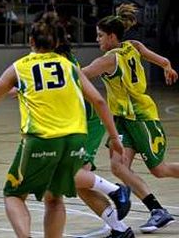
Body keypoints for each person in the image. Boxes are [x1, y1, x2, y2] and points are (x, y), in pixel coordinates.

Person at [0, 19, 124, 238]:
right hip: (75, 139)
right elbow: (99, 101)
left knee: (14, 194)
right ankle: (113, 191)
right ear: (56, 42)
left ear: (30, 41)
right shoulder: (70, 66)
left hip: (42, 138)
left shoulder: (20, 67)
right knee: (54, 198)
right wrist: (114, 137)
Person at [82, 15, 178, 234]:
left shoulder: (108, 60)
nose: (97, 40)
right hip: (124, 119)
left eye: (100, 36)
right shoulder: (134, 45)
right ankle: (156, 209)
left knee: (159, 170)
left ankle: (157, 210)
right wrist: (168, 67)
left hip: (141, 116)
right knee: (118, 166)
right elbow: (162, 60)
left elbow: (80, 75)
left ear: (112, 36)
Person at [48, 15, 134, 238]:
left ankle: (117, 190)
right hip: (75, 123)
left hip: (87, 122)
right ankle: (120, 229)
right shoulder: (51, 60)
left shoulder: (63, 62)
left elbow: (90, 97)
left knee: (67, 175)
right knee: (79, 184)